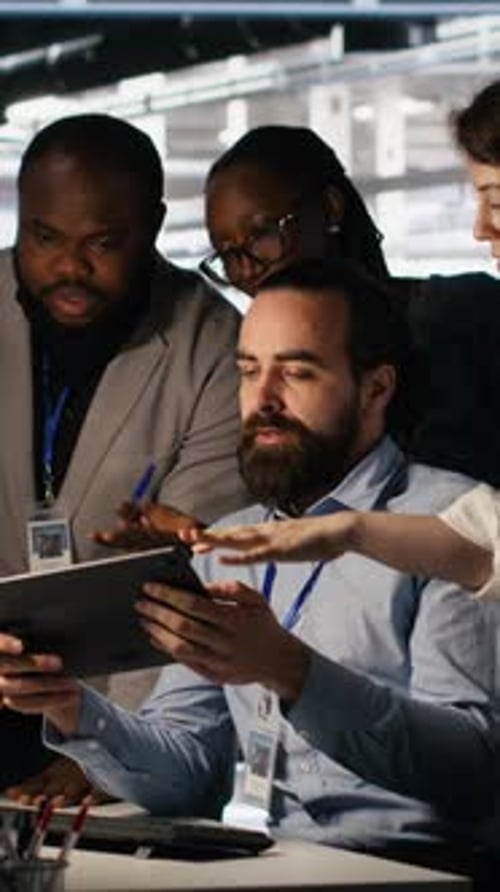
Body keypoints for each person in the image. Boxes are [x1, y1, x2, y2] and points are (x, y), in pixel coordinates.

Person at [1, 260, 499, 876]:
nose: (262, 399)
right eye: (248, 370)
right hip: (279, 867)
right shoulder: (230, 541)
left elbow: (474, 769)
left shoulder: (455, 529)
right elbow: (183, 775)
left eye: (295, 372)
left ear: (376, 388)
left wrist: (289, 670)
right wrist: (72, 708)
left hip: (431, 874)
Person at [0, 113, 248, 802]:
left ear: (155, 224)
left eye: (103, 243)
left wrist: (105, 760)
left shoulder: (217, 349)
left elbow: (191, 584)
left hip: (110, 714)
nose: (70, 268)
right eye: (44, 238)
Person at [198, 121, 500, 487]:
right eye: (228, 254)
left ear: (329, 208)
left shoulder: (464, 315)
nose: (247, 269)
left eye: (262, 235)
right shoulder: (260, 374)